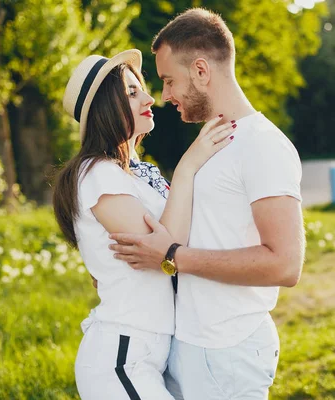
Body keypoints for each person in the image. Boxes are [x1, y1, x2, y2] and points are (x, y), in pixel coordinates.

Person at [108, 9, 306, 400]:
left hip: (227, 348)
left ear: (201, 70)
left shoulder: (262, 145)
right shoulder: (212, 145)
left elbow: (285, 264)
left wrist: (172, 256)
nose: (163, 96)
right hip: (192, 343)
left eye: (168, 81)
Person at [52, 48, 235, 400]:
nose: (149, 98)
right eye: (132, 93)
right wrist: (188, 166)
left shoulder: (135, 174)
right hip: (122, 354)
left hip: (151, 349)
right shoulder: (97, 174)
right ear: (107, 109)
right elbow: (165, 250)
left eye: (142, 88)